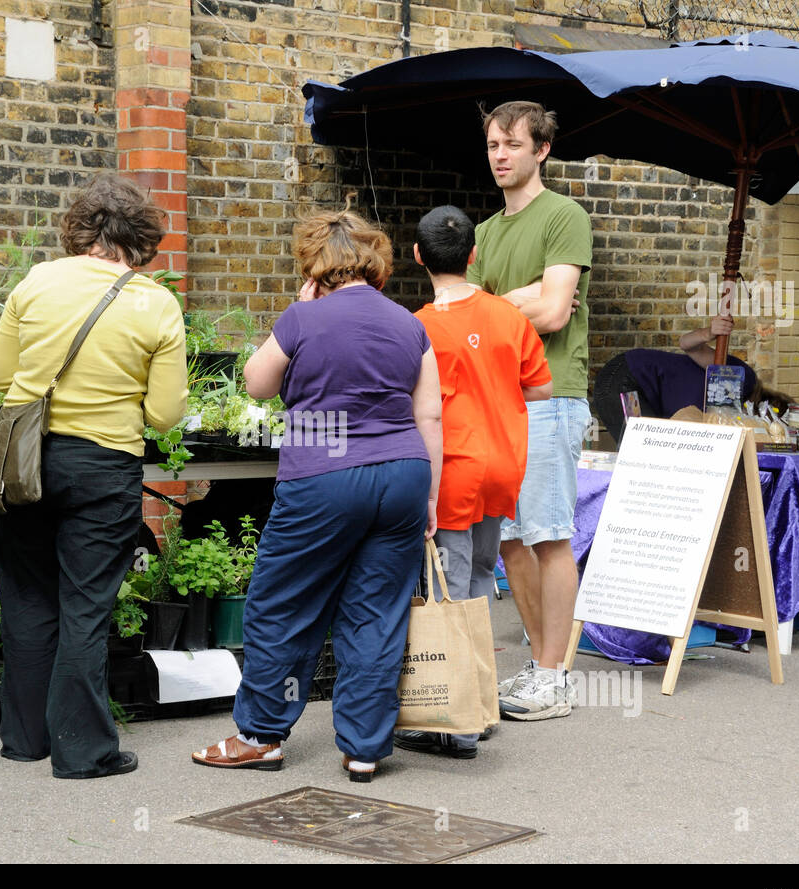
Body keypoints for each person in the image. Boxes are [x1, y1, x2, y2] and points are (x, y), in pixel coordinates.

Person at [190, 207, 443, 782]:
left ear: (314, 266)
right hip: (403, 473)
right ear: (374, 261)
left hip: (323, 477)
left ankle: (260, 735)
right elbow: (429, 410)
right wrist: (430, 492)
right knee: (377, 613)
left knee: (284, 605)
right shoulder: (410, 324)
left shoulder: (305, 319)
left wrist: (299, 315)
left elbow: (256, 383)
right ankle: (364, 748)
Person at [0, 174, 188, 779]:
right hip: (102, 468)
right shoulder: (155, 303)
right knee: (85, 607)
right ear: (140, 239)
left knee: (25, 598)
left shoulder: (38, 280)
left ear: (80, 230)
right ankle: (82, 750)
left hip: (25, 459)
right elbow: (165, 415)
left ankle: (25, 740)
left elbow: (1, 377)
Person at [393, 205, 553, 760]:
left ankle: (458, 726)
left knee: (451, 590)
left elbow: (415, 407)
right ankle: (480, 707)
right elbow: (539, 389)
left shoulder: (419, 327)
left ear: (417, 257)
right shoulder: (509, 316)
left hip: (454, 469)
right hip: (504, 461)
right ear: (474, 254)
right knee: (484, 580)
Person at [467, 101, 592, 721]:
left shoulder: (563, 215)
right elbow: (474, 315)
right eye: (493, 144)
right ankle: (542, 667)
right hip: (498, 400)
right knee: (510, 541)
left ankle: (556, 674)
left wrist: (504, 307)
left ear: (541, 150)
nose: (500, 155)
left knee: (549, 536)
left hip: (549, 395)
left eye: (512, 144)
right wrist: (516, 303)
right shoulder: (485, 233)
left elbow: (553, 311)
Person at [593, 315, 791, 445]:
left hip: (628, 383)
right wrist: (709, 332)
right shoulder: (743, 379)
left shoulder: (726, 418)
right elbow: (687, 344)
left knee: (650, 448)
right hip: (626, 380)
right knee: (644, 446)